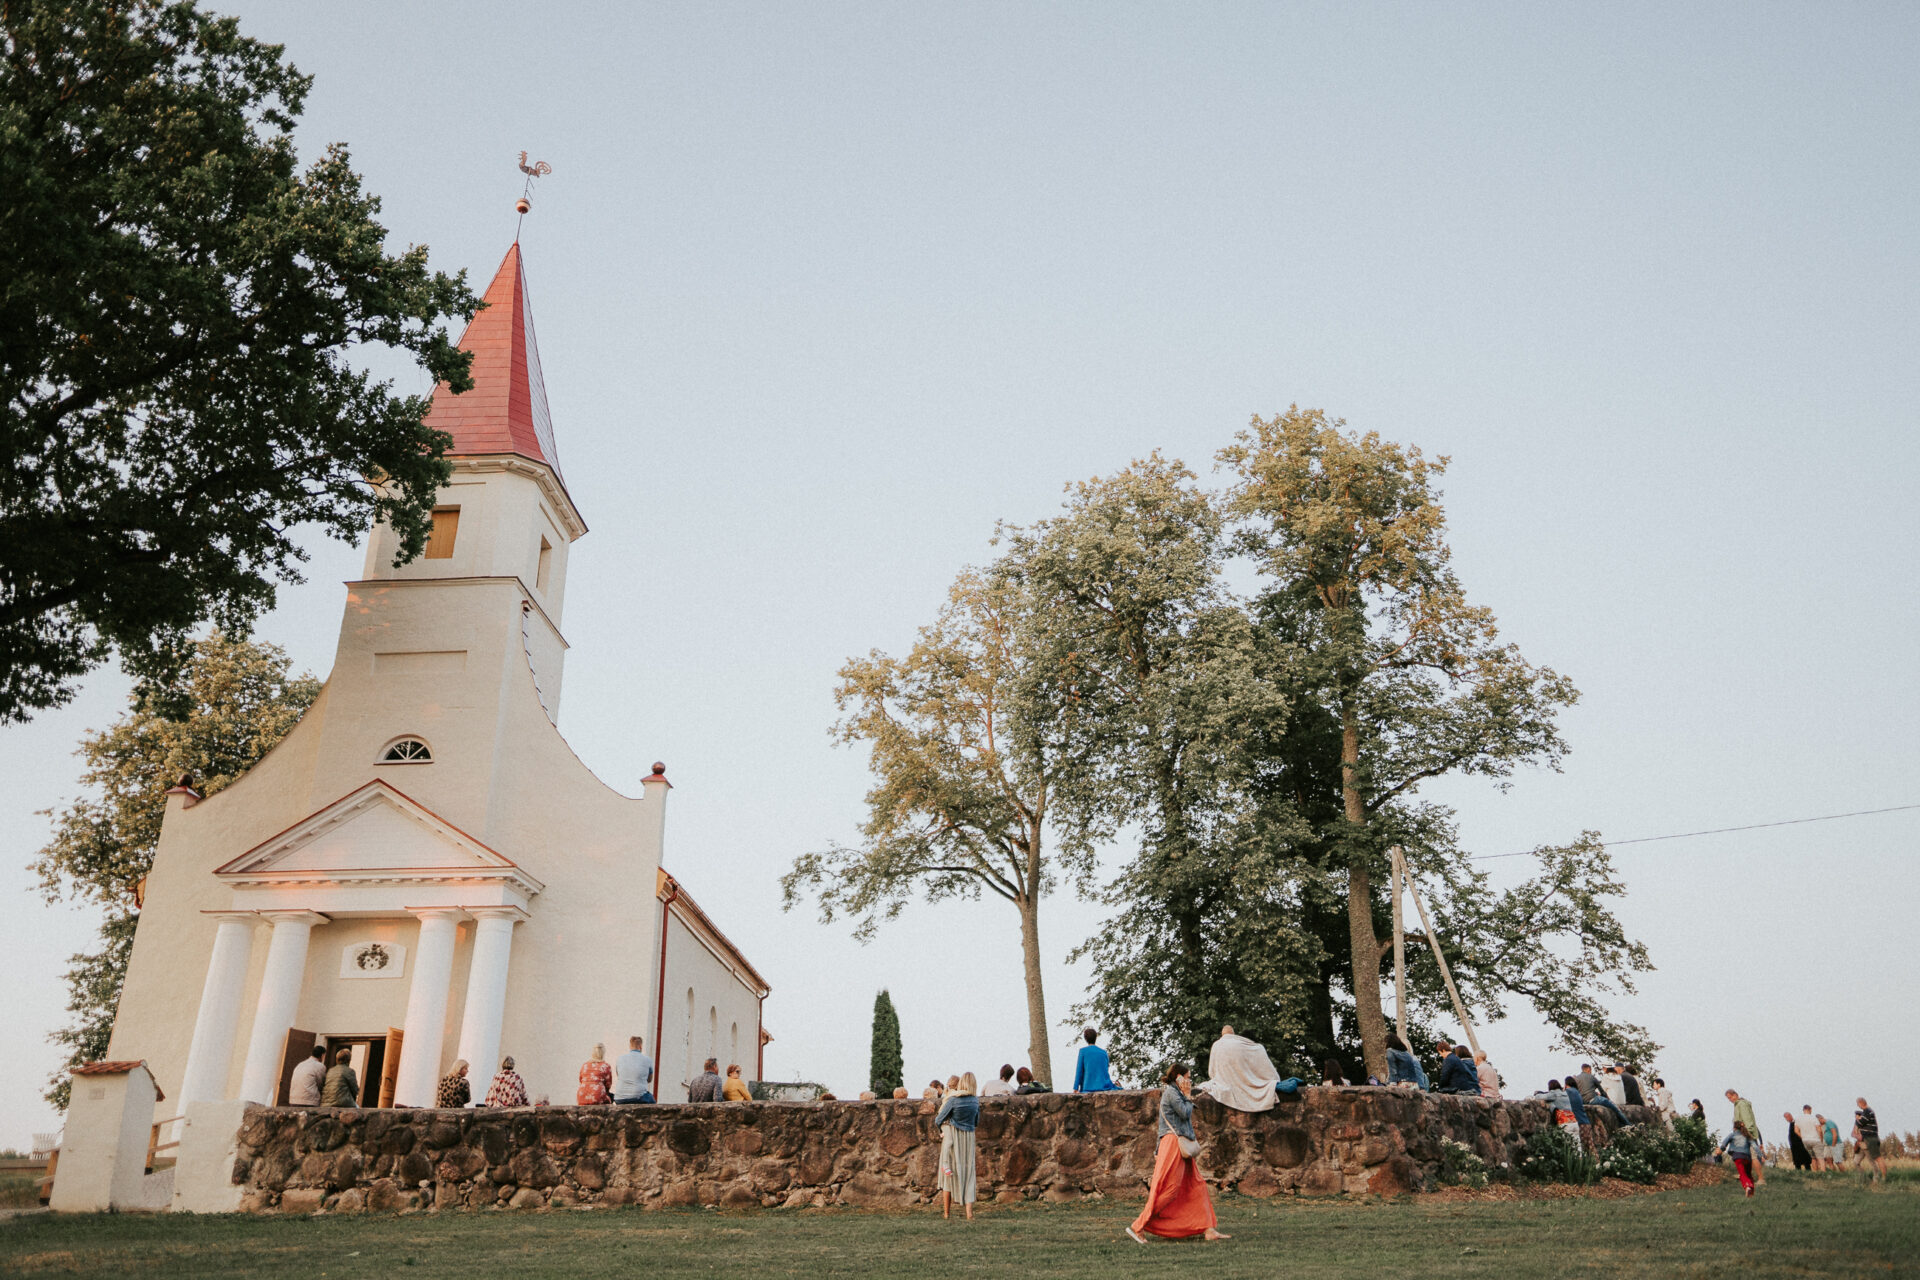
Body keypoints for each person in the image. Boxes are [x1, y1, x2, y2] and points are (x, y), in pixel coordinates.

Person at [1127, 1062, 1229, 1244]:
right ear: (1179, 1077)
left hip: (1179, 1145)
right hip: (1174, 1145)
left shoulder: (1176, 1093)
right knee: (1170, 1189)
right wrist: (1188, 1096)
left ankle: (1208, 1229)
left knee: (1196, 1184)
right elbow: (1184, 1113)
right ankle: (1138, 1225)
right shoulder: (1172, 1093)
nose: (1190, 1081)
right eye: (1188, 1077)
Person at [1197, 1025, 1297, 1112]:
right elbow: (1269, 1073)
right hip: (1246, 1083)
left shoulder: (1216, 1045)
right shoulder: (1255, 1047)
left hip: (1223, 1083)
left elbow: (1212, 1072)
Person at [933, 1071, 980, 1221]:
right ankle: (969, 1214)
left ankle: (947, 1213)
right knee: (968, 1174)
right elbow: (976, 1122)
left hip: (954, 1136)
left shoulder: (953, 1100)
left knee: (950, 1175)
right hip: (969, 1139)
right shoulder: (975, 1101)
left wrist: (942, 1130)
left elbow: (938, 1119)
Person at [1726, 1089, 1765, 1186]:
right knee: (1744, 1156)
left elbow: (1748, 1120)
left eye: (1730, 1097)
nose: (1730, 1100)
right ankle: (1745, 1175)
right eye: (1728, 1098)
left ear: (1735, 1095)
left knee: (1753, 1156)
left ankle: (1761, 1179)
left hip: (1746, 1134)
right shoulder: (1738, 1105)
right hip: (1741, 1133)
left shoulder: (1741, 1104)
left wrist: (1748, 1133)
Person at [612, 1036, 655, 1104]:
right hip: (638, 1097)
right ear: (641, 1046)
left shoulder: (620, 1059)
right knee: (652, 1101)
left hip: (619, 1098)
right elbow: (649, 1080)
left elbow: (619, 1076)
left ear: (630, 1046)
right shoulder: (647, 1060)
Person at [1722, 1121, 1759, 1196]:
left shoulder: (1733, 1134)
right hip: (1748, 1158)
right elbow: (1755, 1146)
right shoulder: (1747, 1135)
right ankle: (1751, 1192)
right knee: (1749, 1174)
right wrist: (1761, 1155)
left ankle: (1747, 1186)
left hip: (1738, 1157)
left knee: (1742, 1174)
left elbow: (1724, 1143)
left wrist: (1721, 1149)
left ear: (1734, 1128)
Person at [1074, 1028, 1118, 1092]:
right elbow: (1105, 1069)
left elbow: (1079, 1071)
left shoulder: (1083, 1051)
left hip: (1088, 1087)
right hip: (1104, 1085)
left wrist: (1076, 1087)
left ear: (1085, 1038)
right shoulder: (1104, 1052)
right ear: (1096, 1037)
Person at [1540, 1080, 1581, 1146]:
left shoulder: (1553, 1094)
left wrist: (1539, 1093)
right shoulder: (1566, 1094)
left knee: (1569, 1149)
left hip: (1565, 1124)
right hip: (1575, 1122)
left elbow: (1538, 1097)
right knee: (1578, 1147)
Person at [1855, 1097, 1887, 1181]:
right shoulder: (1868, 1111)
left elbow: (1861, 1123)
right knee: (1876, 1158)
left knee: (1878, 1158)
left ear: (1861, 1103)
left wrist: (1857, 1119)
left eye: (1858, 1104)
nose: (1858, 1106)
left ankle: (1884, 1178)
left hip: (1870, 1138)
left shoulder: (1867, 1111)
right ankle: (1870, 1178)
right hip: (1869, 1138)